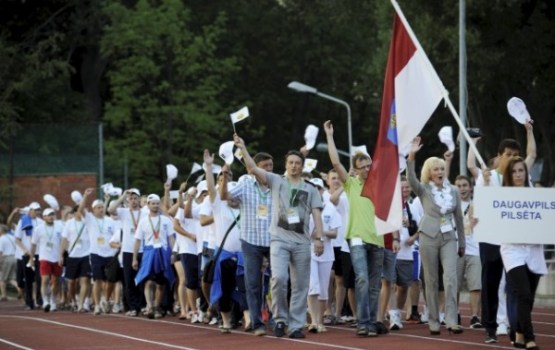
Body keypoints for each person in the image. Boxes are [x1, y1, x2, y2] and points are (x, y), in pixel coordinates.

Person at [234, 133, 324, 339]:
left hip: (302, 242)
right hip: (279, 240)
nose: (294, 166)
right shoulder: (276, 181)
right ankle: (280, 319)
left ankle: (296, 325)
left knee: (300, 284)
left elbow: (317, 214)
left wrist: (318, 238)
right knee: (280, 278)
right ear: (286, 165)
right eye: (291, 163)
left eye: (297, 163)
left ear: (302, 166)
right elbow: (252, 168)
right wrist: (243, 147)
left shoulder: (310, 189)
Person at [475, 121, 536, 344]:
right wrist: (485, 184)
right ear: (499, 155)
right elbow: (479, 206)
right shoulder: (486, 177)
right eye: (508, 154)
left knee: (515, 286)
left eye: (515, 154)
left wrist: (529, 131)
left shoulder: (520, 177)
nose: (512, 158)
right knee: (491, 283)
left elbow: (532, 154)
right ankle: (490, 327)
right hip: (491, 238)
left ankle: (515, 328)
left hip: (514, 241)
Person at [323, 120, 384, 337]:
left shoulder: (378, 185)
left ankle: (371, 322)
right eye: (363, 166)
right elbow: (335, 161)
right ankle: (363, 322)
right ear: (355, 169)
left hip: (377, 240)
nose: (367, 169)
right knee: (362, 279)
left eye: (369, 165)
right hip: (356, 238)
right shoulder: (350, 184)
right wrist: (329, 136)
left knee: (375, 284)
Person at [485, 157, 546, 350]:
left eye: (521, 171)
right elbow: (488, 213)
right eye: (514, 172)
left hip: (534, 250)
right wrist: (486, 183)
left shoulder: (537, 196)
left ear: (526, 173)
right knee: (523, 293)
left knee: (529, 297)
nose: (518, 175)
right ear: (508, 175)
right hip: (513, 251)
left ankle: (519, 333)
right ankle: (529, 337)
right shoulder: (501, 196)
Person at [406, 136, 465, 335]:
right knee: (430, 280)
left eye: (441, 168)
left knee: (450, 278)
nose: (439, 171)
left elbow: (458, 218)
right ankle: (433, 320)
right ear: (429, 173)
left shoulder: (454, 191)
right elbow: (410, 179)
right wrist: (412, 154)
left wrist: (462, 242)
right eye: (435, 169)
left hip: (449, 237)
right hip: (428, 236)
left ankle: (451, 319)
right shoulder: (423, 190)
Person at [224, 151, 274, 336]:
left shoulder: (276, 183)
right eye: (264, 166)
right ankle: (257, 322)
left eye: (270, 166)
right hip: (251, 241)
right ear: (253, 168)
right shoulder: (245, 183)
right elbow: (225, 196)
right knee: (252, 283)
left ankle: (277, 319)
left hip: (273, 240)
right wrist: (223, 178)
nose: (268, 170)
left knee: (278, 281)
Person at [306, 177, 341, 334]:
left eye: (318, 188)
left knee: (324, 290)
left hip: (326, 253)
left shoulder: (329, 208)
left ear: (321, 190)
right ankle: (313, 321)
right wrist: (312, 236)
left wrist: (321, 232)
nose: (316, 191)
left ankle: (319, 321)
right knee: (313, 286)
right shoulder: (304, 208)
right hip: (309, 252)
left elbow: (334, 233)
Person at [133, 193, 175, 319]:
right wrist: (134, 258)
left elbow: (171, 238)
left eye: (157, 203)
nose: (156, 205)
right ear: (148, 205)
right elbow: (137, 240)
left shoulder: (166, 220)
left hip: (163, 252)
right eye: (153, 203)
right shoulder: (143, 221)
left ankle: (157, 306)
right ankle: (150, 306)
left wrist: (174, 253)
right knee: (149, 281)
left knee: (161, 283)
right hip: (149, 252)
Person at [78, 189, 119, 315]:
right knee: (97, 281)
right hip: (96, 254)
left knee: (111, 281)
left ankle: (105, 299)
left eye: (102, 207)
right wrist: (85, 195)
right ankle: (96, 305)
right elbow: (80, 210)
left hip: (110, 254)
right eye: (98, 207)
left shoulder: (110, 221)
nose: (101, 209)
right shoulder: (89, 219)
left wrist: (117, 245)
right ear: (94, 209)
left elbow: (117, 234)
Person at [107, 188, 144, 317]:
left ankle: (141, 305)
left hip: (143, 249)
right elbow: (111, 210)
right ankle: (132, 306)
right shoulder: (123, 212)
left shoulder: (144, 213)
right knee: (128, 280)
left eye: (135, 198)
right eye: (131, 199)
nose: (133, 201)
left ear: (139, 199)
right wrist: (123, 196)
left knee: (141, 280)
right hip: (128, 251)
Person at [388, 176, 419, 331]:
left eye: (407, 187)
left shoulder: (412, 207)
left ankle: (397, 312)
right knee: (390, 283)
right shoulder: (390, 205)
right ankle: (393, 316)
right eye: (402, 187)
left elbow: (420, 227)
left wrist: (413, 238)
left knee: (404, 286)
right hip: (391, 251)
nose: (405, 190)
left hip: (407, 252)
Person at [454, 175, 482, 328]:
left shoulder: (478, 205)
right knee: (455, 285)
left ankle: (474, 317)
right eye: (458, 186)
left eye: (464, 185)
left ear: (470, 188)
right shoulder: (451, 205)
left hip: (475, 250)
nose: (462, 189)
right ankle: (456, 313)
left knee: (475, 285)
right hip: (456, 250)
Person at [29, 208, 64, 312]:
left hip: (57, 258)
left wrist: (62, 255)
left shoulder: (60, 227)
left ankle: (53, 301)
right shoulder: (38, 229)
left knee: (56, 281)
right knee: (45, 280)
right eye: (48, 215)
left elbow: (64, 242)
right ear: (44, 217)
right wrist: (31, 258)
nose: (51, 217)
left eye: (52, 214)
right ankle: (45, 301)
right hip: (44, 257)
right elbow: (33, 244)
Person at [60, 207, 91, 312]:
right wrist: (61, 255)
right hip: (72, 256)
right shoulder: (69, 223)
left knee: (85, 280)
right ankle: (73, 300)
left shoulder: (87, 222)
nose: (81, 212)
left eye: (83, 210)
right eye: (79, 210)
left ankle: (81, 304)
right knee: (71, 282)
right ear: (74, 213)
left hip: (86, 255)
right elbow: (64, 239)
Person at [14, 202, 44, 310]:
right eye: (35, 210)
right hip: (26, 255)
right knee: (28, 279)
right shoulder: (23, 221)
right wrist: (25, 250)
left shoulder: (41, 222)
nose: (37, 212)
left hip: (39, 254)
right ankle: (29, 302)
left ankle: (39, 299)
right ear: (30, 210)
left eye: (38, 210)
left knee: (39, 278)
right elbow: (17, 238)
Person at [0, 224, 18, 301]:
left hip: (6, 259)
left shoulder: (1, 239)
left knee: (2, 279)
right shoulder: (12, 237)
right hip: (15, 257)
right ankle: (19, 288)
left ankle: (3, 295)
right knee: (11, 278)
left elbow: (0, 252)